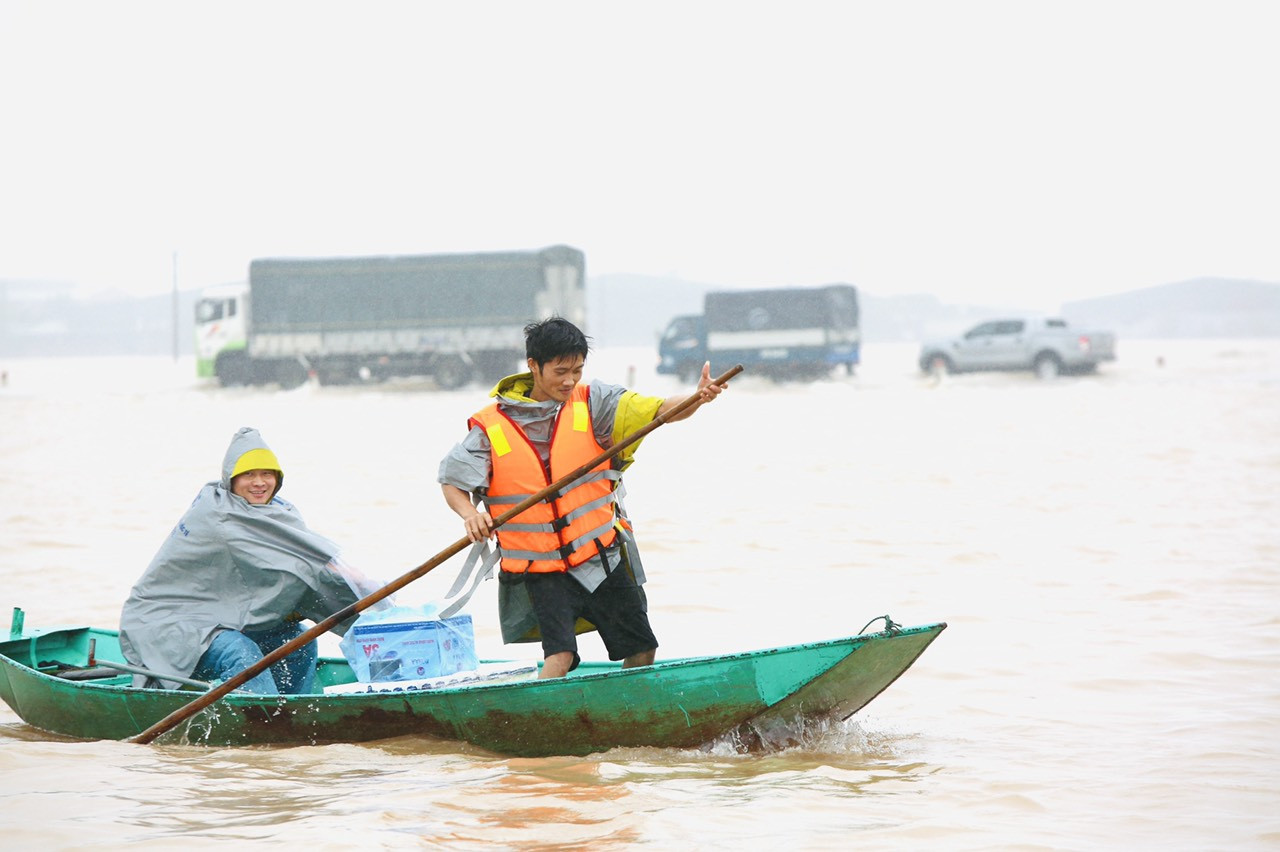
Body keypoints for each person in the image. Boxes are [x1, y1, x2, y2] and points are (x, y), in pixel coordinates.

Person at [438, 317, 726, 679]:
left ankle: (628, 715)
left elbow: (661, 411)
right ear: (533, 366)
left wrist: (697, 397)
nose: (569, 380)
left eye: (576, 370)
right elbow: (451, 480)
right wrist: (469, 514)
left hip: (598, 553)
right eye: (560, 371)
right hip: (541, 570)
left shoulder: (595, 402)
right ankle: (541, 721)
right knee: (559, 658)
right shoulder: (491, 425)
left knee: (642, 648)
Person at [120, 427, 381, 694]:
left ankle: (291, 715)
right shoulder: (218, 515)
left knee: (299, 638)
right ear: (231, 479)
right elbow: (298, 567)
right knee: (240, 652)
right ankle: (261, 722)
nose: (259, 482)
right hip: (171, 622)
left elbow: (300, 563)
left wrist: (365, 591)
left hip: (221, 617)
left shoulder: (279, 512)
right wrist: (348, 579)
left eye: (266, 474)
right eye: (248, 474)